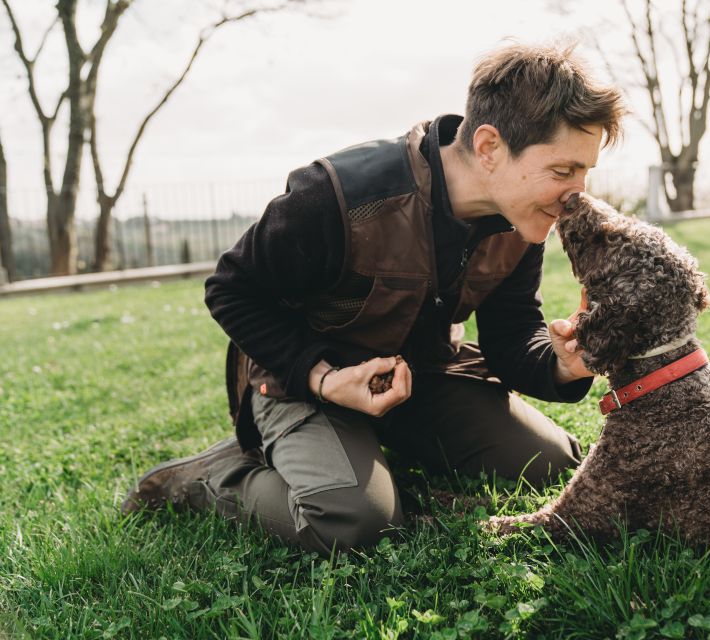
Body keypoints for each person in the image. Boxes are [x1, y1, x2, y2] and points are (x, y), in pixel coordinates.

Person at [122, 41, 627, 555]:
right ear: (490, 147)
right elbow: (231, 289)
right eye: (564, 171)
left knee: (555, 464)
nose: (577, 194)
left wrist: (564, 364)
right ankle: (213, 475)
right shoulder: (341, 195)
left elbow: (511, 334)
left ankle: (368, 457)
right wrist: (323, 377)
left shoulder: (522, 222)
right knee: (354, 524)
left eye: (585, 172)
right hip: (303, 384)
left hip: (421, 377)